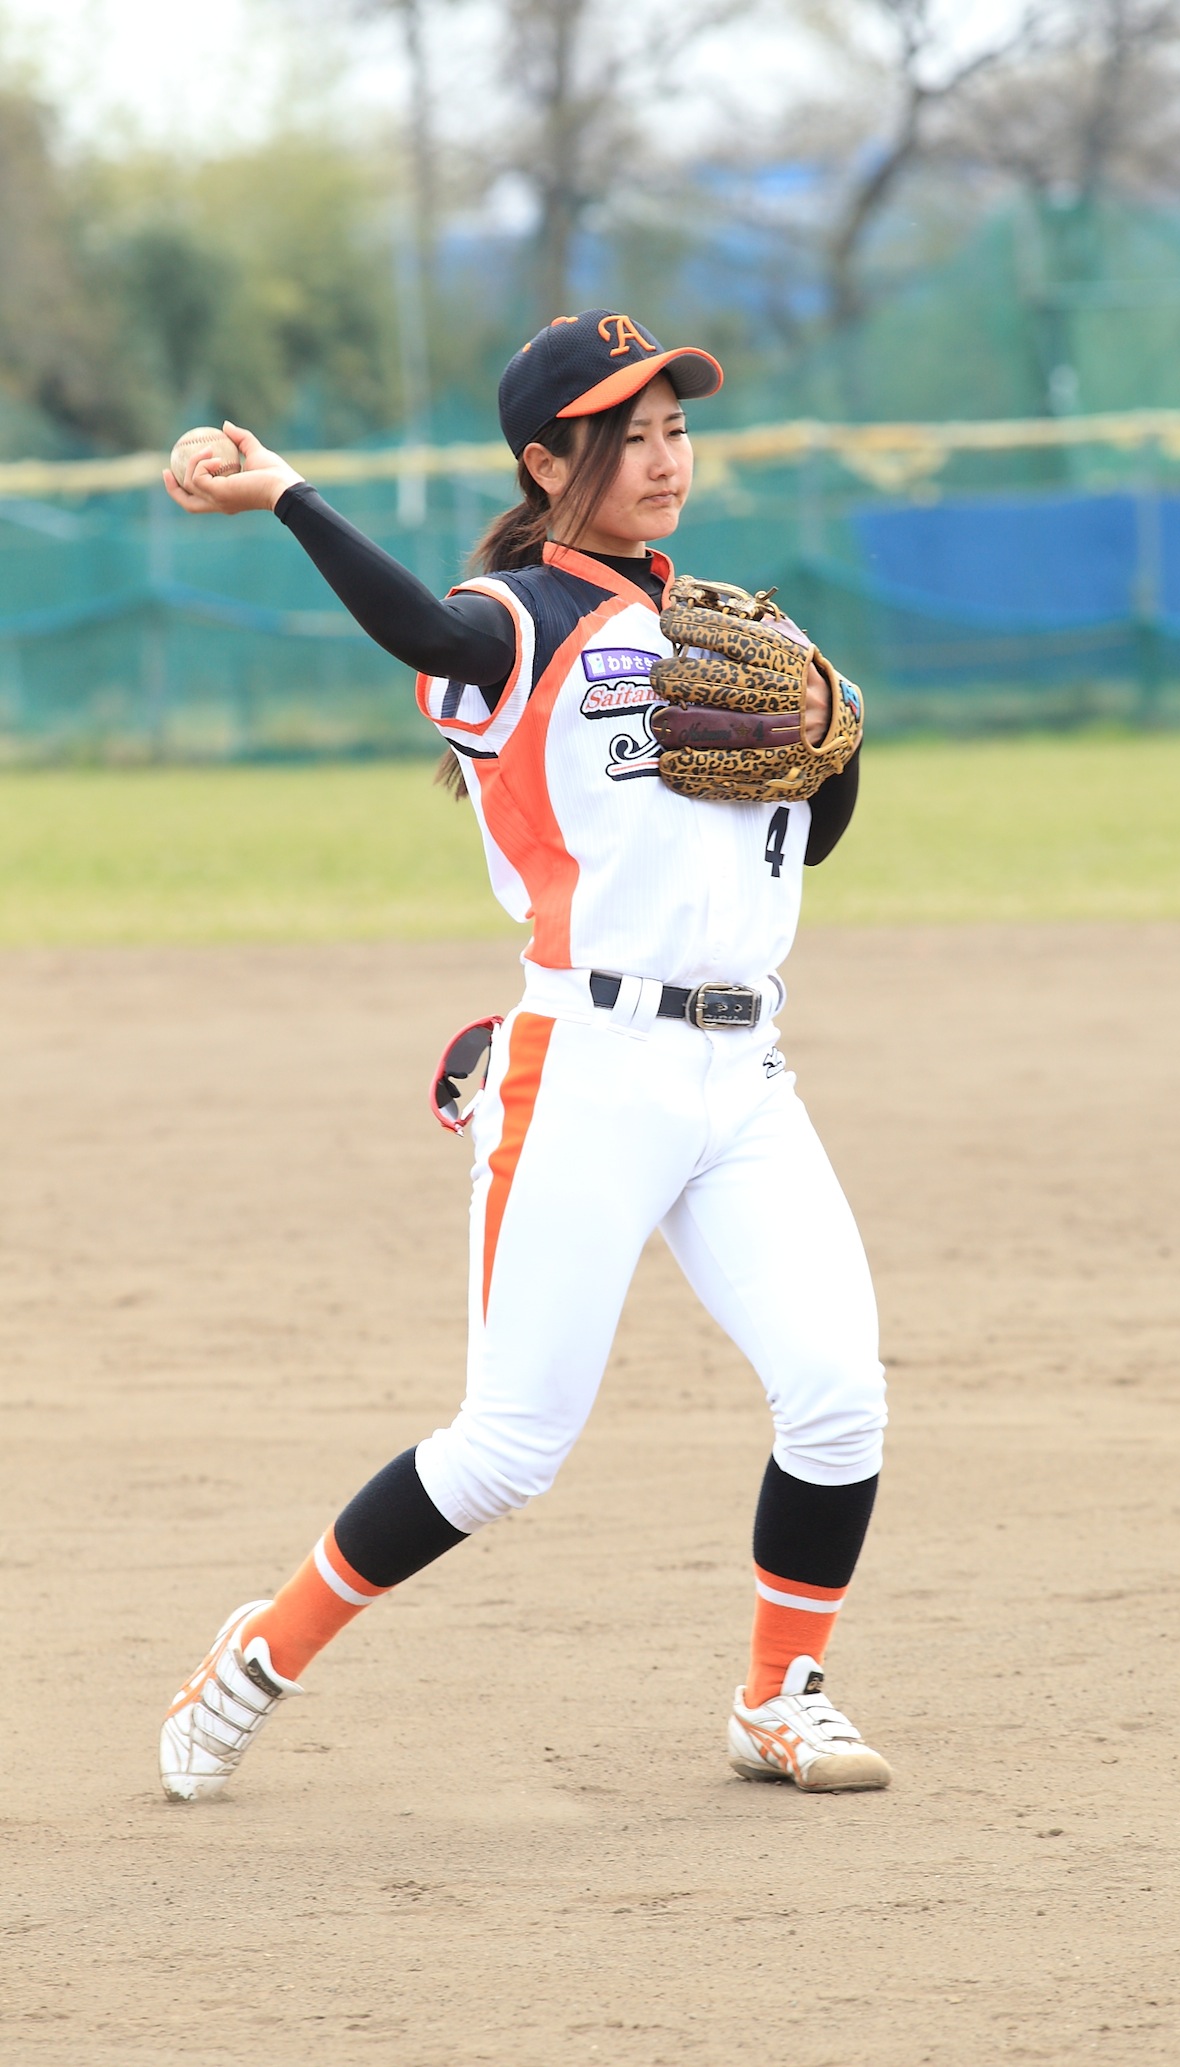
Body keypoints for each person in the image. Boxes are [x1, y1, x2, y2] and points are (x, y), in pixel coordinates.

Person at [158, 309, 889, 1799]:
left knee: (837, 1397)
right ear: (549, 459)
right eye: (629, 432)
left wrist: (836, 738)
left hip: (743, 1080)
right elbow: (425, 635)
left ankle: (776, 1697)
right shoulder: (519, 621)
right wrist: (291, 494)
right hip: (591, 1070)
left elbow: (808, 835)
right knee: (507, 1451)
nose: (664, 456)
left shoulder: (729, 630)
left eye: (675, 426)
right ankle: (260, 1653)